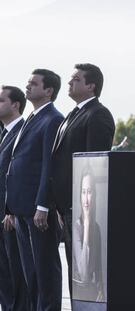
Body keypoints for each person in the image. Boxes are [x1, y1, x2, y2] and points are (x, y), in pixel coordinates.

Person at [48, 63, 115, 296]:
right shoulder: (73, 114)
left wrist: (81, 206)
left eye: (76, 79)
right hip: (66, 207)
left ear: (91, 86)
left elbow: (93, 166)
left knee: (86, 274)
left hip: (83, 209)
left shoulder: (98, 115)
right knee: (74, 271)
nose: (69, 83)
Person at [5, 69, 64, 311]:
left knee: (44, 270)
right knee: (31, 272)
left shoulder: (52, 119)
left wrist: (43, 205)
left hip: (37, 210)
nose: (28, 86)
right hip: (20, 208)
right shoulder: (32, 117)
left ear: (48, 90)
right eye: (28, 82)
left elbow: (48, 166)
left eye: (34, 83)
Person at [0, 86, 29, 311]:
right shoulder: (4, 132)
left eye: (1, 101)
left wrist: (10, 209)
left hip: (11, 212)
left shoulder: (23, 130)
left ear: (15, 105)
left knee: (14, 269)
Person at [72, 167, 104, 302]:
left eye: (89, 192)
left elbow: (98, 269)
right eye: (83, 192)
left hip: (93, 291)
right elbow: (84, 273)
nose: (86, 199)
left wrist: (101, 289)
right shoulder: (77, 227)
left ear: (95, 195)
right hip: (79, 290)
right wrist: (86, 227)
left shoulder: (96, 228)